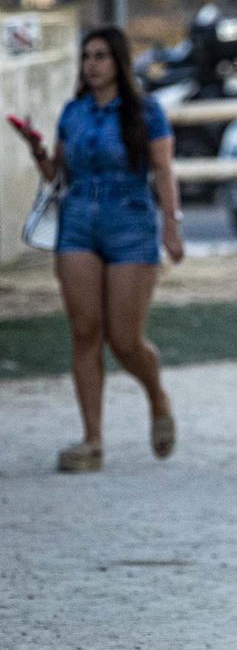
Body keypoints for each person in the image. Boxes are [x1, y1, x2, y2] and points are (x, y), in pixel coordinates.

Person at [9, 26, 183, 473]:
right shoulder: (73, 112)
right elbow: (57, 176)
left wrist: (171, 225)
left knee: (125, 339)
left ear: (119, 62)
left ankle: (156, 394)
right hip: (78, 223)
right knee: (85, 331)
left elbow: (163, 171)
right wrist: (37, 151)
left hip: (130, 224)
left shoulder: (146, 112)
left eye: (101, 56)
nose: (92, 64)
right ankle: (92, 440)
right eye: (87, 56)